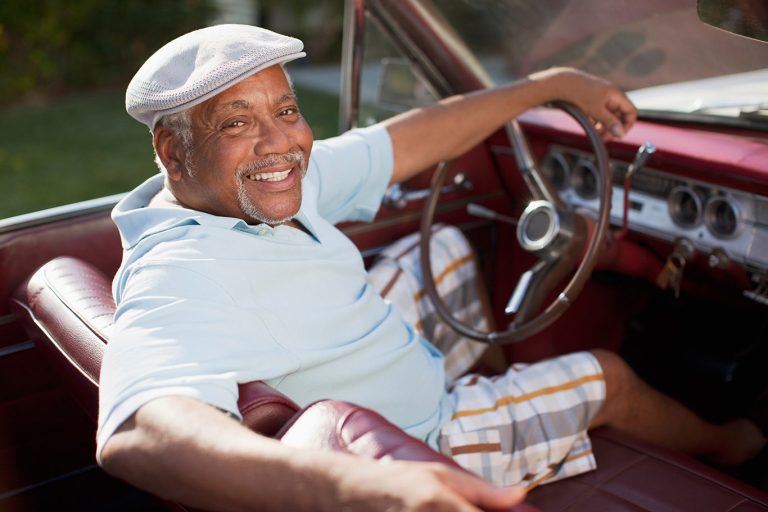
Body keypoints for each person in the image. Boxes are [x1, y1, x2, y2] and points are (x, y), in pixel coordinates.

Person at [98, 24, 766, 512]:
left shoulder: (256, 184)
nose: (280, 142)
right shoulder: (179, 271)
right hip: (421, 432)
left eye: (287, 111)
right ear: (172, 150)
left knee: (444, 247)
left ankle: (513, 393)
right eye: (237, 124)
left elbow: (408, 139)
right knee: (610, 376)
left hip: (362, 361)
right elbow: (138, 432)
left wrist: (549, 86)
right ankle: (729, 442)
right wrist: (365, 484)